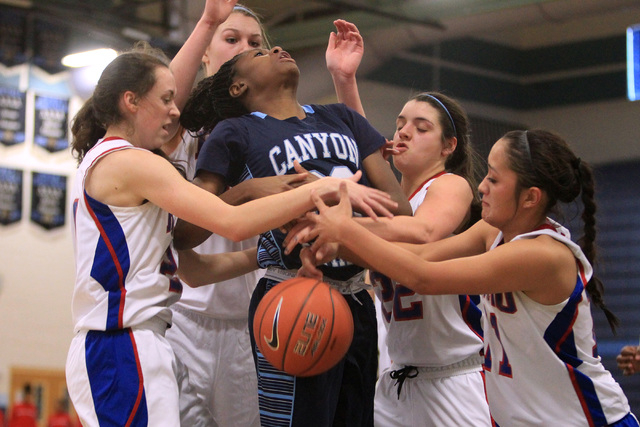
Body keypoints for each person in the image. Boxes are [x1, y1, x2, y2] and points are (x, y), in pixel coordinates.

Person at [64, 29, 397, 427]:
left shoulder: (124, 163)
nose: (175, 111)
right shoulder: (131, 162)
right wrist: (325, 187)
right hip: (120, 341)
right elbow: (231, 222)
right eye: (167, 99)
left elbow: (193, 269)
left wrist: (270, 251)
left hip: (135, 341)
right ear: (131, 101)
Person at [293, 129, 639, 426]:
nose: (482, 187)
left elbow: (424, 277)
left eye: (494, 178)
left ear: (531, 198)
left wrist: (346, 230)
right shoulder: (493, 231)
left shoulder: (542, 255)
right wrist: (338, 245)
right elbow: (421, 255)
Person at [174, 44, 412, 426]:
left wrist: (336, 204)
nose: (278, 48)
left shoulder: (344, 117)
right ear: (238, 87)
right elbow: (184, 233)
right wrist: (248, 191)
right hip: (292, 297)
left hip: (357, 299)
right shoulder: (234, 132)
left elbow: (401, 211)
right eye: (261, 54)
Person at [323, 91, 491, 426]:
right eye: (400, 124)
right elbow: (364, 144)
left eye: (421, 127)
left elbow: (425, 231)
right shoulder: (389, 208)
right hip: (397, 380)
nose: (403, 132)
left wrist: (340, 226)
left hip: (456, 376)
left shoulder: (449, 185)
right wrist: (345, 77)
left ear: (448, 147)